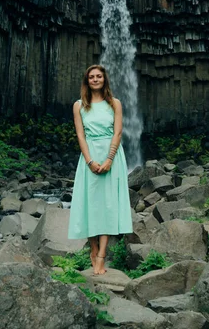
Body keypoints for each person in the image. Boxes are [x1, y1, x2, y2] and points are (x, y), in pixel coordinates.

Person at [67, 65, 133, 275]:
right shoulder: (79, 105)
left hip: (111, 156)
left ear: (105, 79)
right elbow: (80, 135)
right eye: (91, 77)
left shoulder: (115, 104)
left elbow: (118, 132)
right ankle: (93, 249)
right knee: (89, 203)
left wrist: (109, 159)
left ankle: (102, 256)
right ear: (87, 81)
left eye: (99, 76)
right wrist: (89, 161)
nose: (95, 79)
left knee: (108, 205)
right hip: (89, 155)